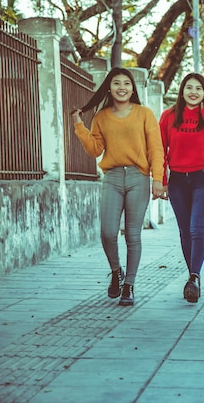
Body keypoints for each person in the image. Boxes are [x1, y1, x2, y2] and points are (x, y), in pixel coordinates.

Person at [71, 67, 165, 306]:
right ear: (109, 88)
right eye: (116, 83)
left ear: (133, 88)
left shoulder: (144, 113)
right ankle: (116, 272)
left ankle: (129, 286)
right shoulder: (101, 117)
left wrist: (157, 179)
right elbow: (95, 150)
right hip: (112, 177)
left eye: (126, 83)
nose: (121, 87)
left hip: (138, 178)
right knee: (108, 232)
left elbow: (156, 149)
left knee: (133, 235)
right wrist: (80, 126)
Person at [158, 73, 204, 303]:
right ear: (182, 91)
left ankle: (194, 276)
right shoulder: (168, 116)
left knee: (197, 228)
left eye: (198, 88)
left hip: (203, 179)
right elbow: (160, 149)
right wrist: (161, 180)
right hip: (178, 180)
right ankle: (193, 278)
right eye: (189, 87)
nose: (193, 92)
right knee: (184, 231)